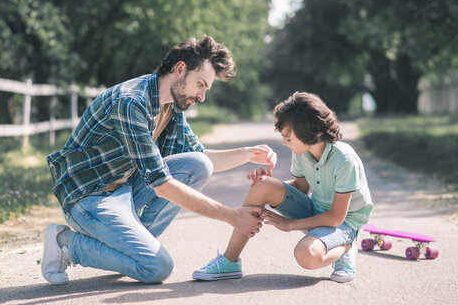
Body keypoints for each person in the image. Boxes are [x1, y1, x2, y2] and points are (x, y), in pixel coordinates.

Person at [41, 35, 277, 285]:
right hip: (88, 197)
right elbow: (161, 184)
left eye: (205, 88)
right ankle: (65, 242)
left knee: (199, 165)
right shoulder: (130, 102)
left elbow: (201, 157)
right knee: (157, 267)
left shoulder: (170, 104)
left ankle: (129, 250)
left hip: (123, 189)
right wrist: (232, 216)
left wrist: (248, 154)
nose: (202, 96)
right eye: (200, 85)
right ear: (179, 69)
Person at [192, 92, 373, 283]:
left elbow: (336, 217)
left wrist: (290, 225)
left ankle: (346, 246)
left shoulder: (345, 160)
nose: (284, 143)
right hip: (316, 210)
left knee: (306, 254)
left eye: (288, 137)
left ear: (308, 132)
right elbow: (301, 188)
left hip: (344, 223)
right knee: (262, 185)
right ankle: (229, 261)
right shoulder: (303, 150)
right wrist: (266, 185)